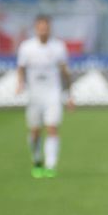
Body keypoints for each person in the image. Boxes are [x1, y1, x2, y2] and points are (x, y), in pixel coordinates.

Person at [16, 14, 73, 179]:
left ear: (50, 28)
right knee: (34, 131)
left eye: (46, 27)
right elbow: (21, 67)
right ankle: (36, 160)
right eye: (40, 27)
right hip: (34, 95)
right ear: (36, 28)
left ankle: (51, 165)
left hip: (52, 94)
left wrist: (69, 94)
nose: (43, 30)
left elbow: (65, 71)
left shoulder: (58, 47)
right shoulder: (26, 47)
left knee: (52, 128)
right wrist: (20, 83)